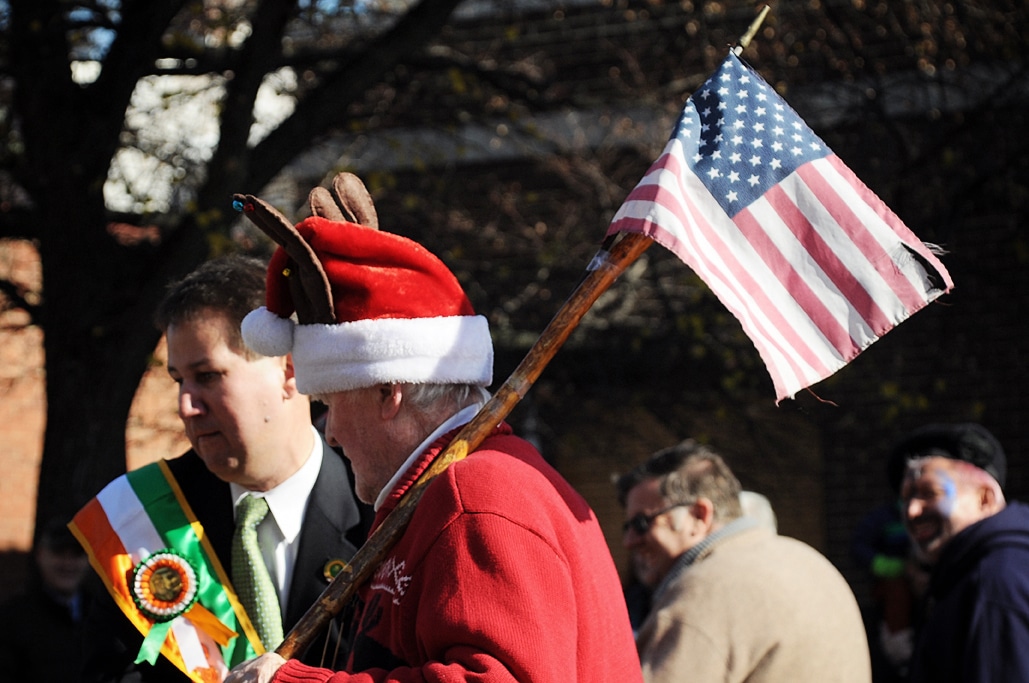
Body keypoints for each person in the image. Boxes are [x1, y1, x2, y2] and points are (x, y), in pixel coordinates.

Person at [222, 173, 642, 682]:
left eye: (330, 403)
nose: (329, 433)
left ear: (388, 393)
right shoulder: (453, 488)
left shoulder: (475, 494)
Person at [77, 255, 372, 682]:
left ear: (289, 369)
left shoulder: (380, 512)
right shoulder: (139, 518)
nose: (186, 406)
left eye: (209, 376)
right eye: (180, 380)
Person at [617, 439, 872, 683]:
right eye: (627, 527)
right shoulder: (809, 560)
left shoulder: (704, 590)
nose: (629, 541)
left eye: (642, 524)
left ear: (698, 515)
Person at [892, 422, 1029, 683]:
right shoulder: (968, 575)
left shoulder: (996, 582)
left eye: (929, 493)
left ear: (985, 499)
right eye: (906, 497)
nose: (911, 511)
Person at [0, 517, 92, 683]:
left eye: (76, 554)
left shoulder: (101, 614)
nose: (68, 564)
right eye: (59, 553)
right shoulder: (12, 619)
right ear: (40, 555)